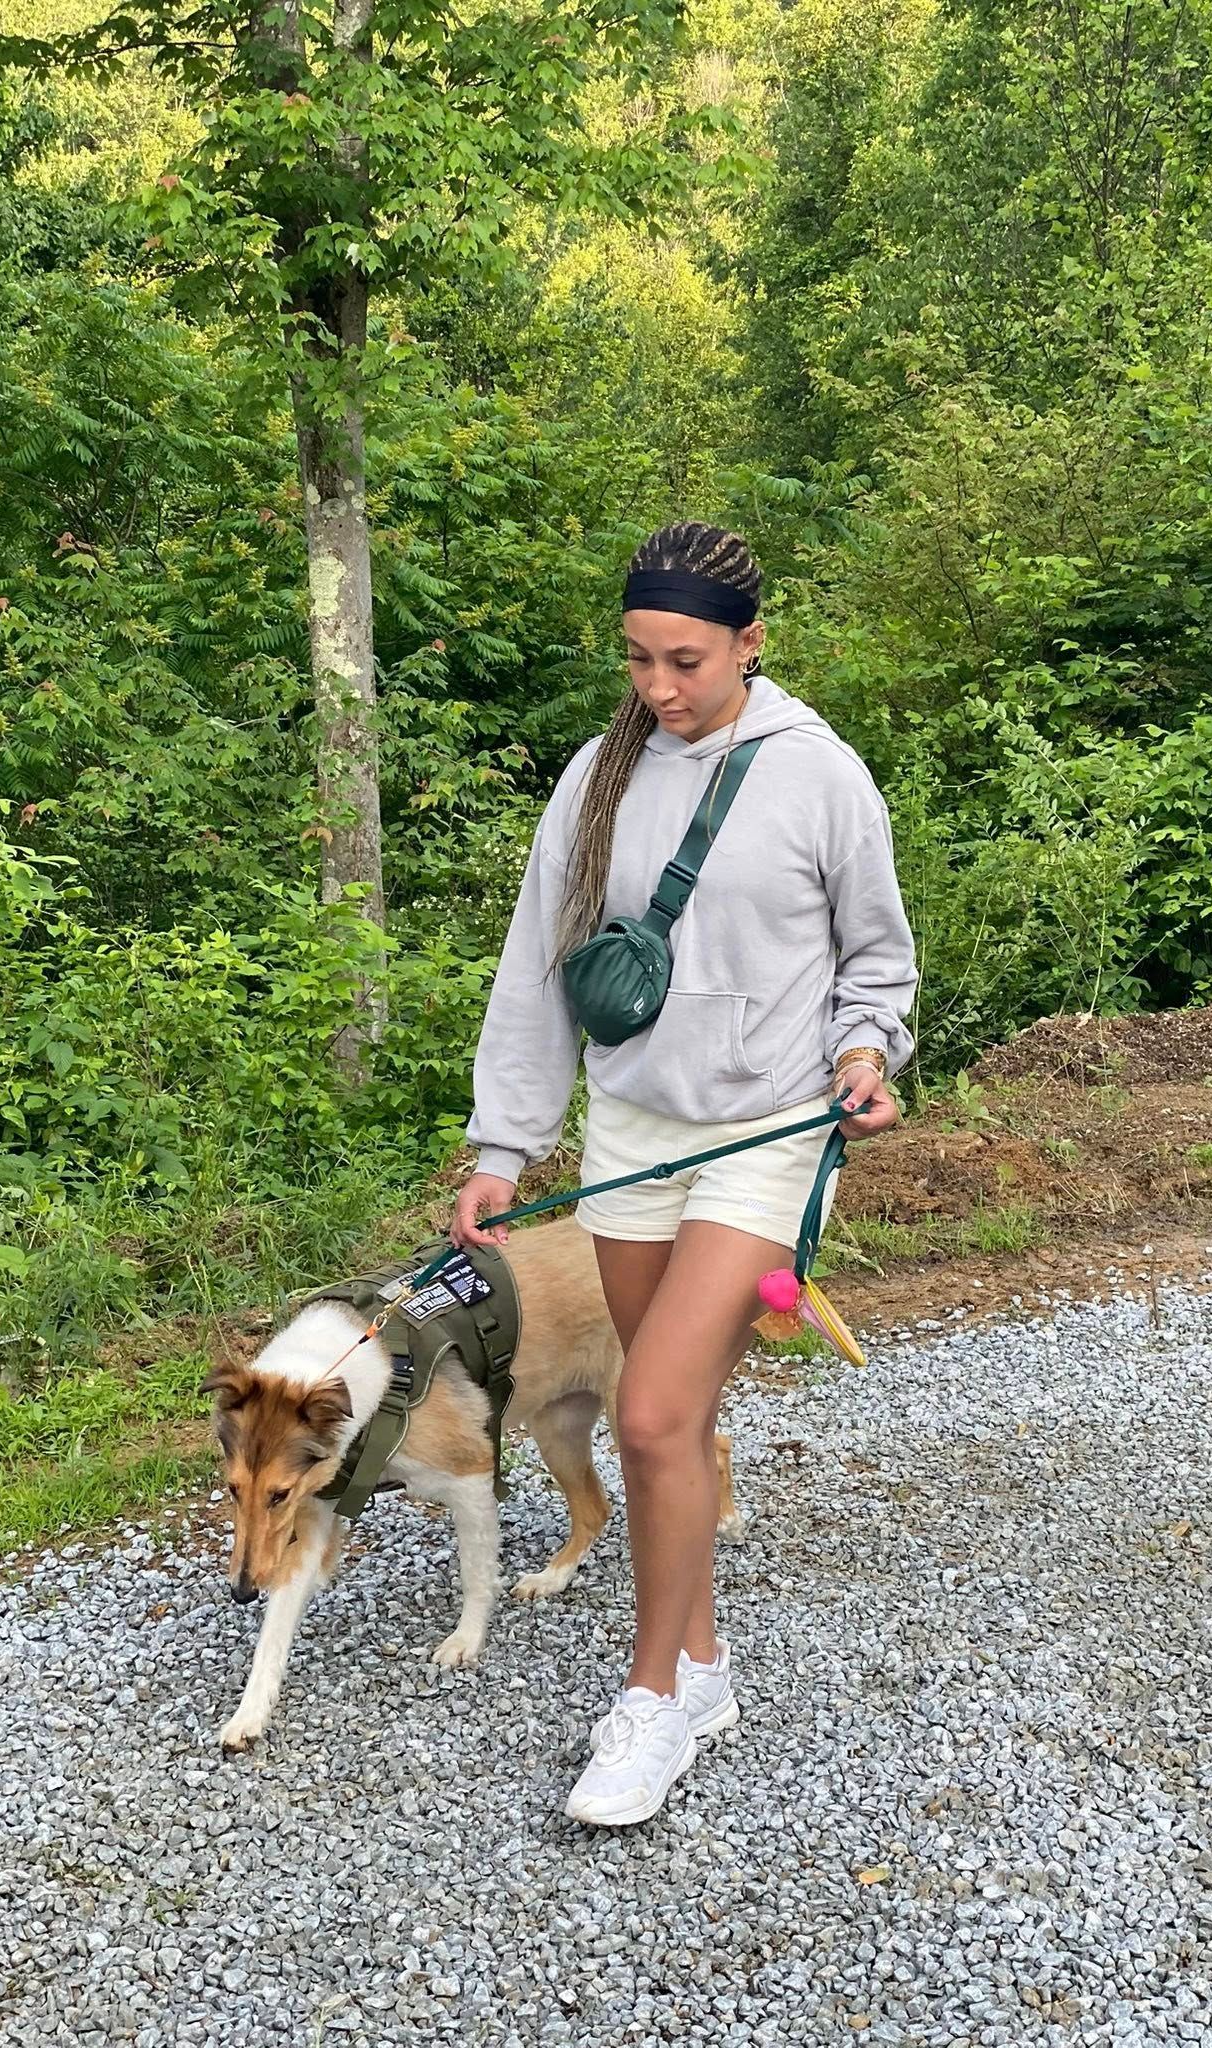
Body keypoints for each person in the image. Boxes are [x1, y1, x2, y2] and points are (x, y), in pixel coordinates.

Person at [452, 519, 918, 1826]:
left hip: (765, 1142)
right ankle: (704, 1667)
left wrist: (866, 1052)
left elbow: (876, 963)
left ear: (752, 643)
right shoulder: (599, 776)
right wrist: (504, 1147)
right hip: (631, 1141)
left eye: (687, 661)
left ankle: (651, 1700)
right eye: (639, 659)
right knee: (675, 1427)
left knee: (650, 1415)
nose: (658, 688)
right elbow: (537, 974)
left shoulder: (820, 777)